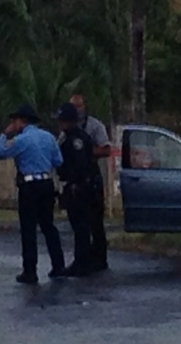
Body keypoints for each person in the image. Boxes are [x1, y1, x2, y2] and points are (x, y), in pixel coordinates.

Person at [0, 104, 65, 284]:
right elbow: (58, 160)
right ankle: (58, 265)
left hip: (29, 185)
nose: (13, 124)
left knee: (28, 228)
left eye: (14, 121)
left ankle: (30, 270)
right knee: (48, 225)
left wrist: (4, 134)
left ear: (21, 121)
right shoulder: (49, 137)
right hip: (47, 183)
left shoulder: (21, 140)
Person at [54, 103, 99, 277]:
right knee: (79, 225)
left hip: (79, 187)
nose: (60, 124)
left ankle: (82, 262)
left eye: (63, 120)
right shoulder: (68, 137)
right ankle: (81, 260)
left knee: (81, 226)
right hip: (75, 185)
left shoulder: (76, 140)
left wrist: (73, 183)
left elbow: (80, 165)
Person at [69, 94, 110, 272]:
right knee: (80, 222)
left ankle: (100, 258)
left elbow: (106, 149)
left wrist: (86, 151)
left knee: (96, 221)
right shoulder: (68, 128)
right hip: (75, 177)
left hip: (92, 176)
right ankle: (83, 258)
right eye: (74, 107)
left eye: (80, 106)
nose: (78, 110)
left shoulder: (95, 126)